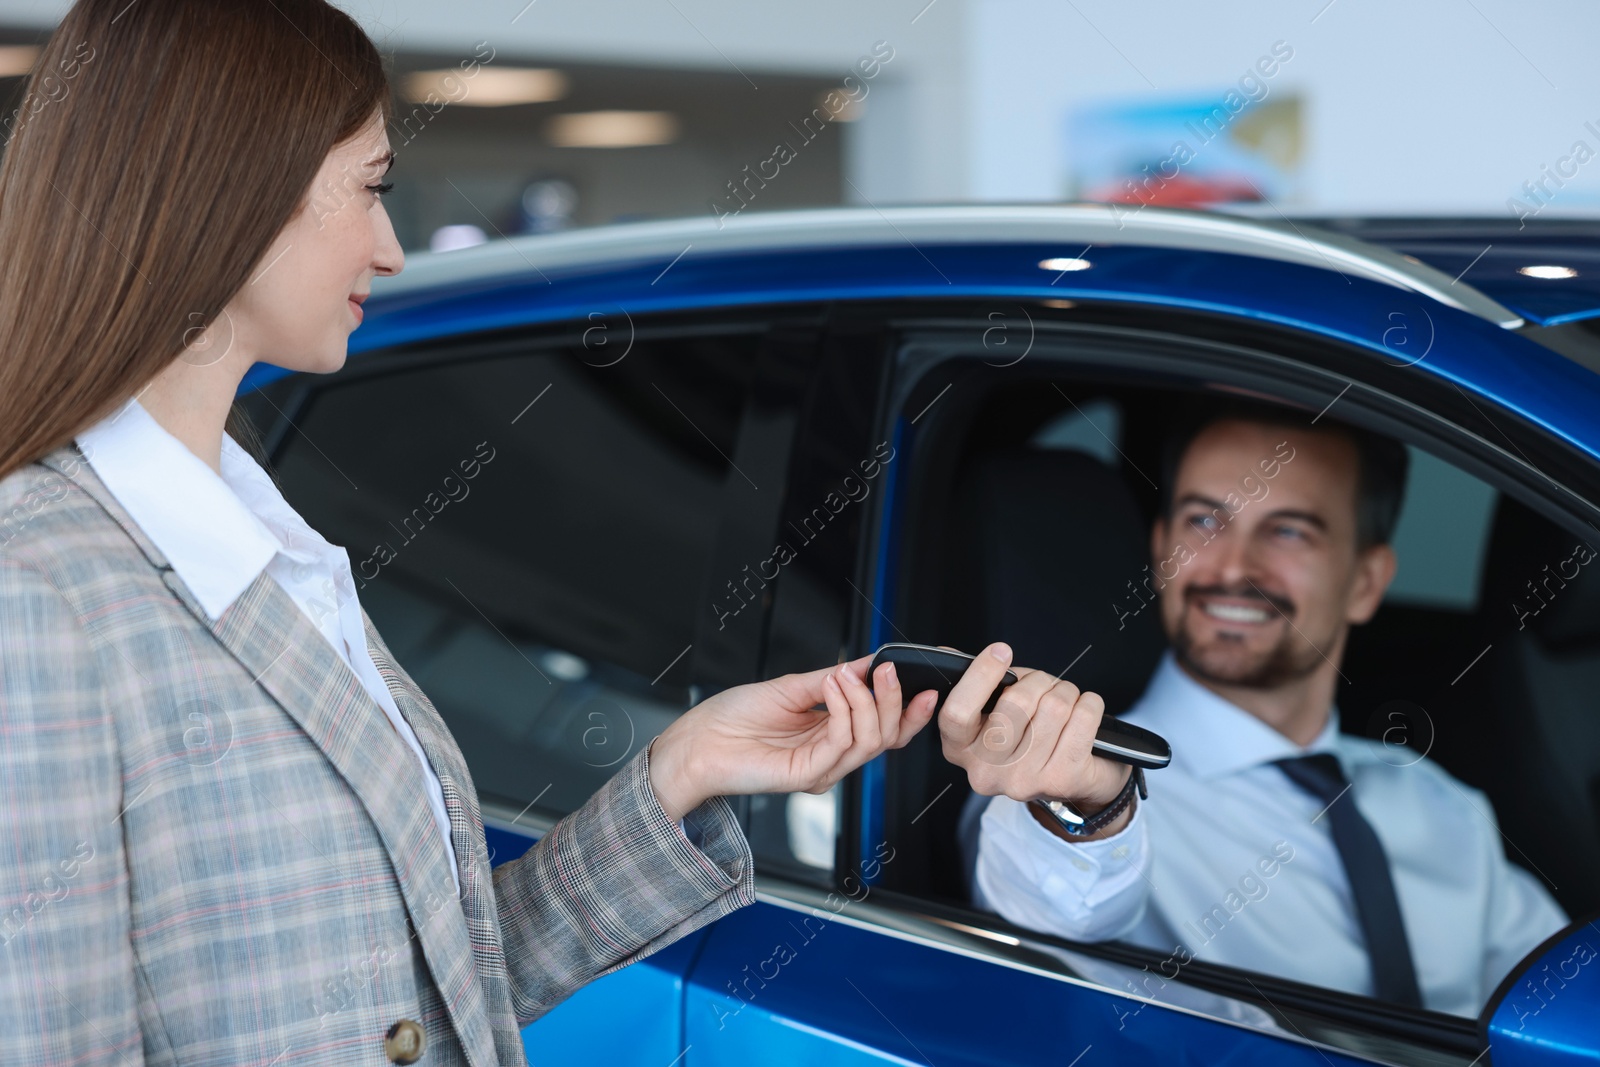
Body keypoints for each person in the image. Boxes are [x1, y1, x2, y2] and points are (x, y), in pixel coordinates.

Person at [0, 3, 1113, 1062]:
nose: (391, 248)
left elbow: (433, 1000)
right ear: (227, 194)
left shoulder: (269, 546)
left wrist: (680, 769)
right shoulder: (38, 589)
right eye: (371, 188)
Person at [955, 404, 1569, 1017]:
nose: (1231, 568)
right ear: (1162, 546)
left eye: (1287, 531)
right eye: (1203, 521)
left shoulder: (1444, 808)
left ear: (1366, 581)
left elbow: (1567, 1001)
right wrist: (1088, 812)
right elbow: (1046, 910)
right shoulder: (1062, 776)